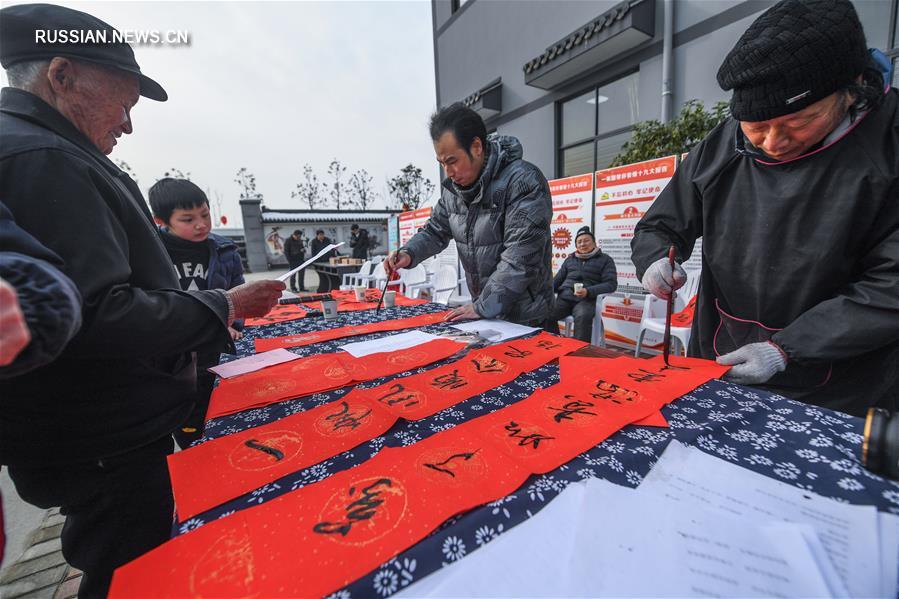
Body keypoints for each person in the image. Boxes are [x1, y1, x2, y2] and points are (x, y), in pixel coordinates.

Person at [0, 5, 284, 597]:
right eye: (124, 103)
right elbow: (99, 313)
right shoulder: (42, 159)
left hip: (94, 430)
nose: (128, 125)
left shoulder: (48, 149)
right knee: (130, 569)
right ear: (62, 74)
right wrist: (221, 306)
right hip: (103, 438)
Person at [630, 0, 899, 416]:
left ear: (851, 91)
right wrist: (653, 259)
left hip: (841, 384)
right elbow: (661, 223)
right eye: (757, 128)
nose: (774, 142)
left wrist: (785, 349)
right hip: (722, 352)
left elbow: (890, 286)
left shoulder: (888, 146)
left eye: (798, 122)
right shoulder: (723, 144)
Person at [385, 103, 554, 326]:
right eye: (442, 163)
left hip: (527, 316)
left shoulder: (523, 181)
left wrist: (483, 306)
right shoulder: (454, 193)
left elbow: (519, 259)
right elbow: (435, 231)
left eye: (452, 161)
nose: (448, 171)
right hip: (485, 312)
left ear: (476, 147)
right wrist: (408, 253)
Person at [148, 178, 247, 448]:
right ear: (161, 220)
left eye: (205, 215)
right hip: (175, 347)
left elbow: (236, 289)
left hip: (214, 340)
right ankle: (192, 443)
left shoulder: (224, 250)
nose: (201, 224)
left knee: (217, 396)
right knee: (187, 410)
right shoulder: (151, 252)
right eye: (188, 219)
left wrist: (234, 320)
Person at [552, 227, 617, 342]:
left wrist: (588, 291)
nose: (582, 244)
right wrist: (545, 290)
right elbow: (557, 280)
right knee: (546, 313)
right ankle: (554, 343)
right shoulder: (570, 260)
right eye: (579, 242)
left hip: (586, 300)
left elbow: (611, 284)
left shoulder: (605, 260)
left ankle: (579, 352)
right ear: (576, 245)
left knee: (583, 316)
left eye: (586, 240)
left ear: (594, 243)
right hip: (565, 298)